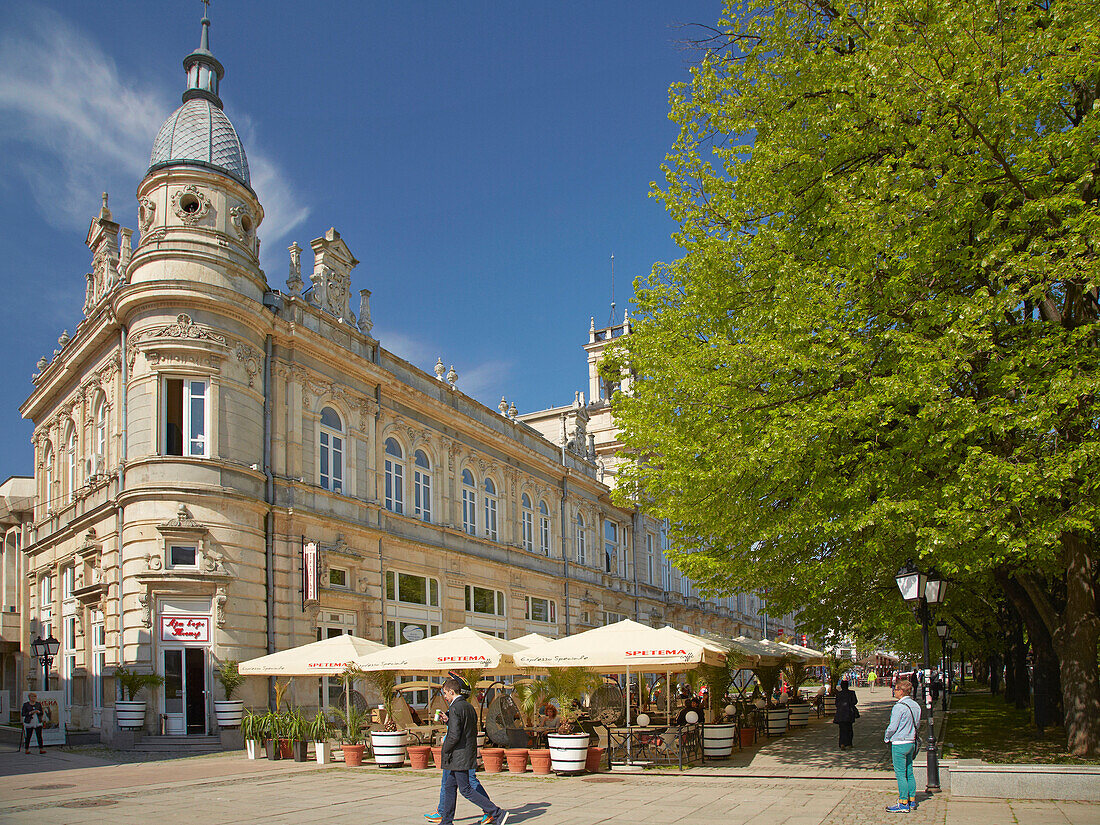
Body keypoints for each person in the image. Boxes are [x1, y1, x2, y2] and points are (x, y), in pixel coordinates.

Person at [430, 678, 508, 825]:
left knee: (465, 789)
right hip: (466, 752)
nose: (445, 696)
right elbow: (465, 727)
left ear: (452, 692)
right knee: (449, 786)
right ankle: (446, 821)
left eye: (445, 693)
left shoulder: (454, 708)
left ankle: (497, 812)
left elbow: (454, 736)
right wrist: (448, 720)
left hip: (458, 756)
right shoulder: (468, 707)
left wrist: (444, 746)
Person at [883, 678, 922, 813]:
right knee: (909, 771)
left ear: (901, 691)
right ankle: (912, 799)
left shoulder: (899, 707)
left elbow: (893, 727)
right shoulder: (916, 706)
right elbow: (917, 724)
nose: (894, 691)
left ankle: (903, 802)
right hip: (911, 741)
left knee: (900, 774)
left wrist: (887, 737)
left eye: (896, 689)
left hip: (899, 742)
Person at [833, 679, 858, 750]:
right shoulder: (851, 693)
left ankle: (842, 743)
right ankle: (849, 743)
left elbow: (836, 703)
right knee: (849, 729)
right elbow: (855, 702)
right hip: (849, 713)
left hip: (841, 713)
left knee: (842, 729)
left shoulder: (839, 694)